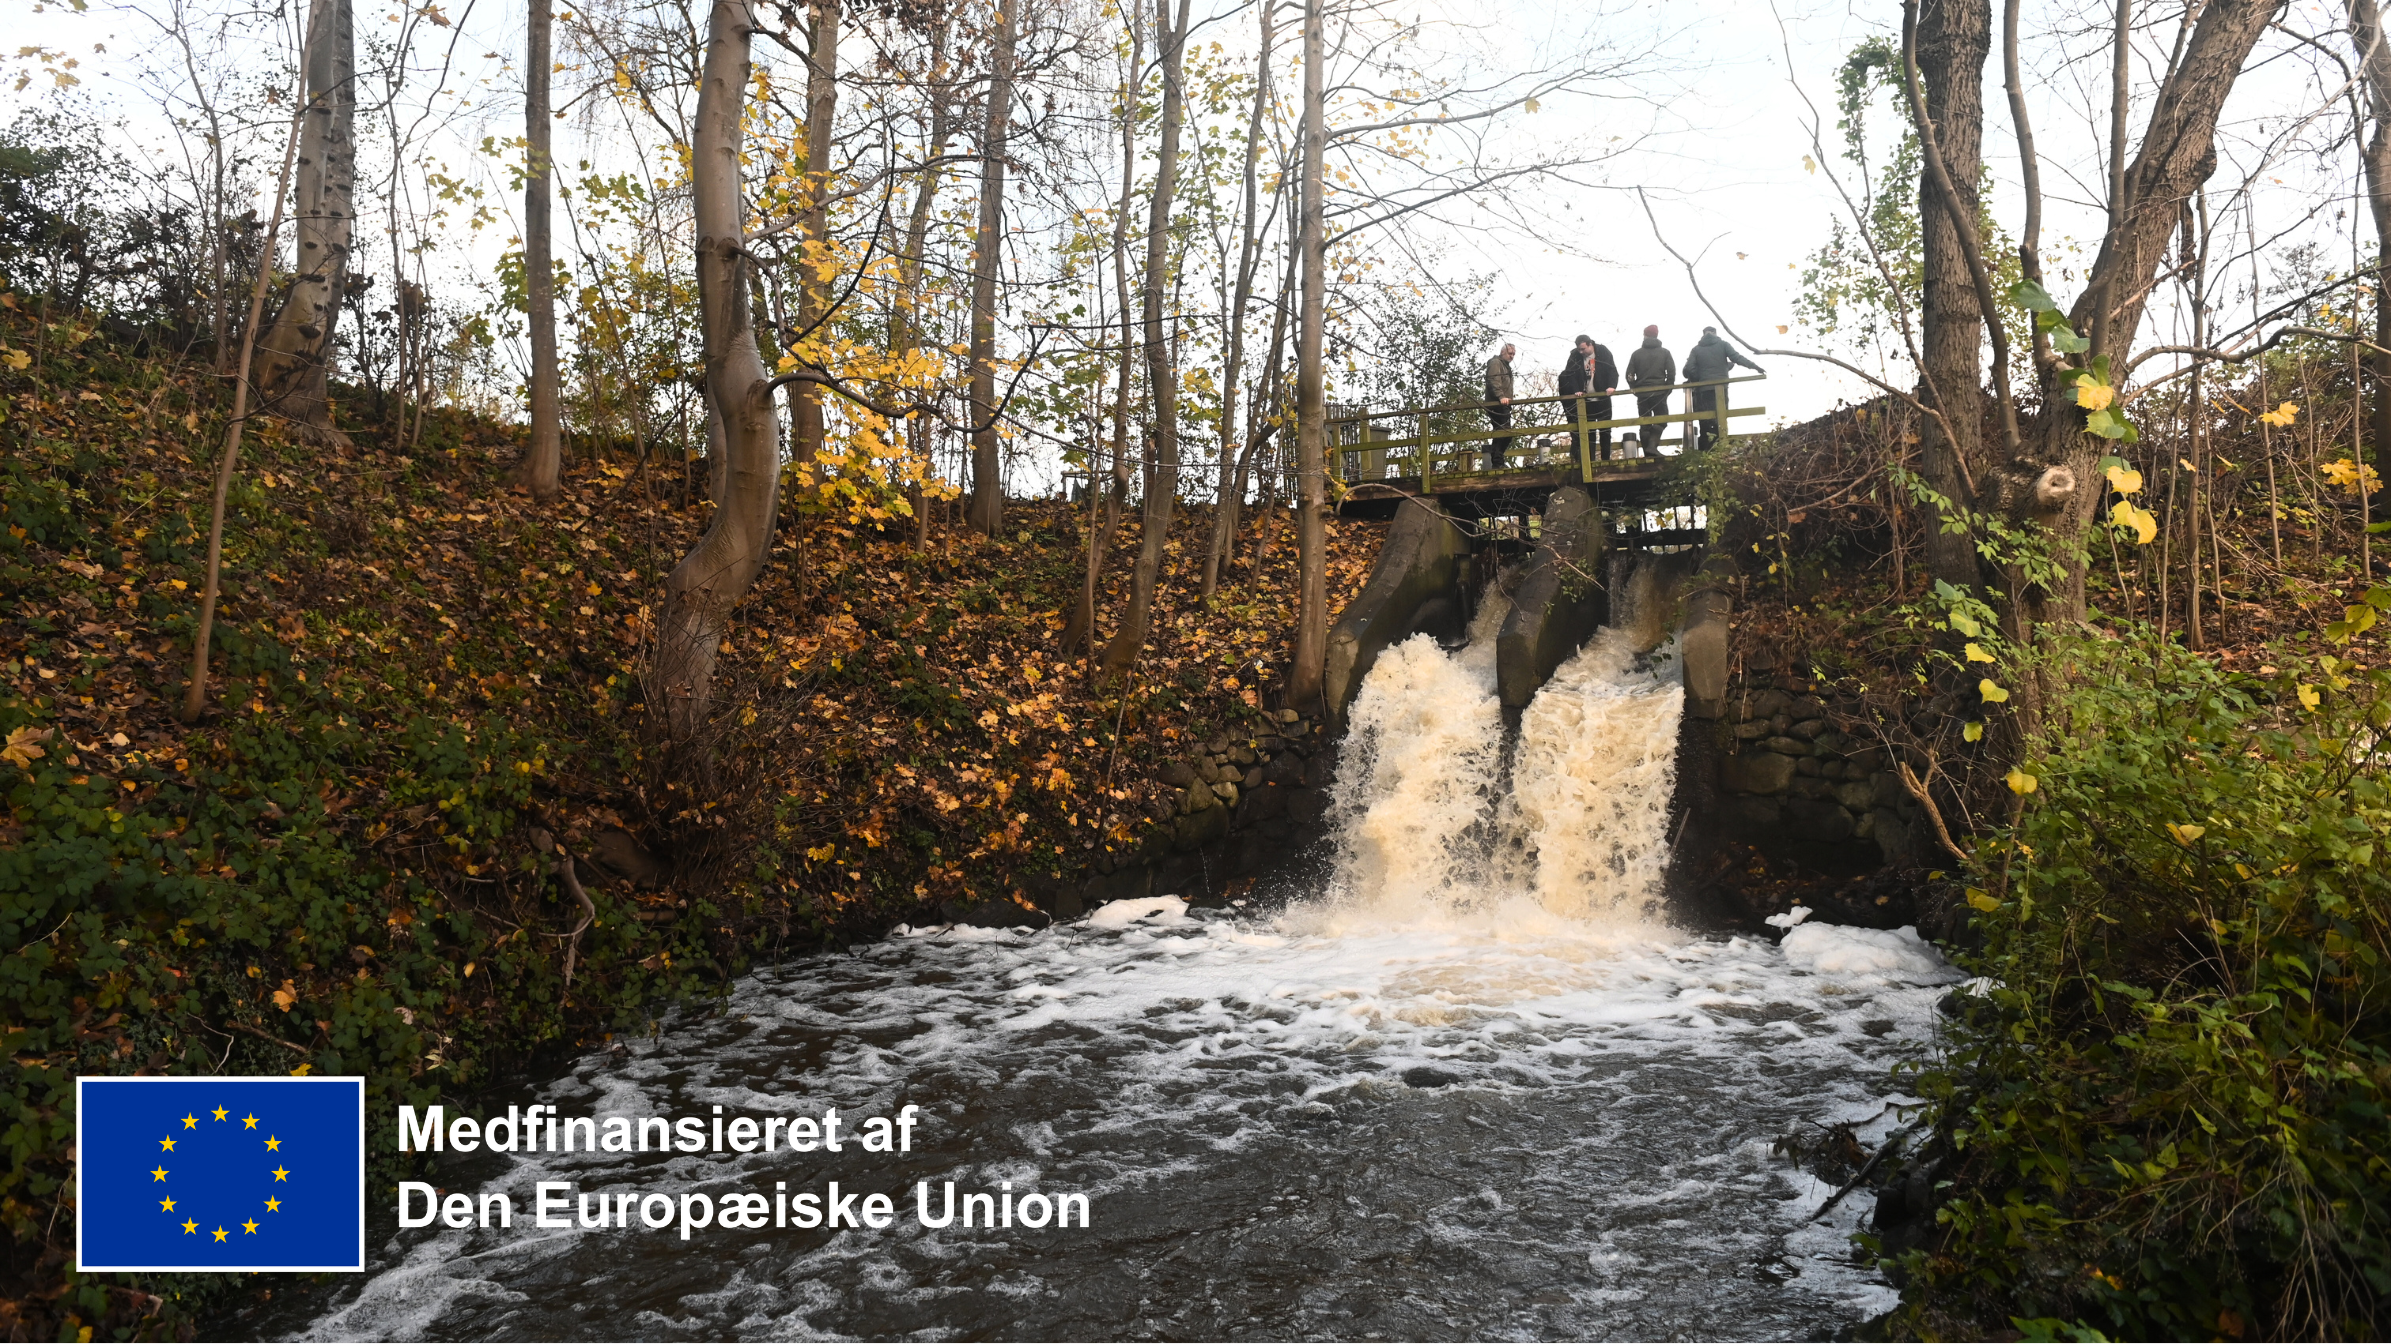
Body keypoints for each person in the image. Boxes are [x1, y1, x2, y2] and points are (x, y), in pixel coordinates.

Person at [1683, 325, 1764, 451]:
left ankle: (1707, 449)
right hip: (1721, 388)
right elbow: (1737, 358)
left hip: (1704, 389)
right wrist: (1755, 366)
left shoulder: (1696, 349)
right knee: (1721, 417)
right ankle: (1721, 447)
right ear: (1715, 333)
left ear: (1703, 334)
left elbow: (1688, 368)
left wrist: (1700, 378)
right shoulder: (1723, 345)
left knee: (1706, 420)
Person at [1625, 324, 1675, 454]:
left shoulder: (1636, 354)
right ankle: (1652, 447)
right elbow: (1671, 372)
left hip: (1642, 393)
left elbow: (1629, 375)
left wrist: (1634, 389)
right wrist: (1667, 389)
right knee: (1662, 419)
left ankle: (1648, 453)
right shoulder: (1665, 353)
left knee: (1645, 422)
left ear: (1645, 336)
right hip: (1659, 392)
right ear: (1657, 335)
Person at [1483, 342, 1516, 470]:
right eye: (1510, 353)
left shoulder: (1505, 366)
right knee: (1504, 432)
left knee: (1503, 432)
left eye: (1513, 354)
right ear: (1503, 352)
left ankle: (1498, 461)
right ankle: (1497, 462)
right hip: (1497, 403)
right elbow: (1493, 380)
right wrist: (1501, 397)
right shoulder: (1496, 363)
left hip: (1503, 403)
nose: (1512, 356)